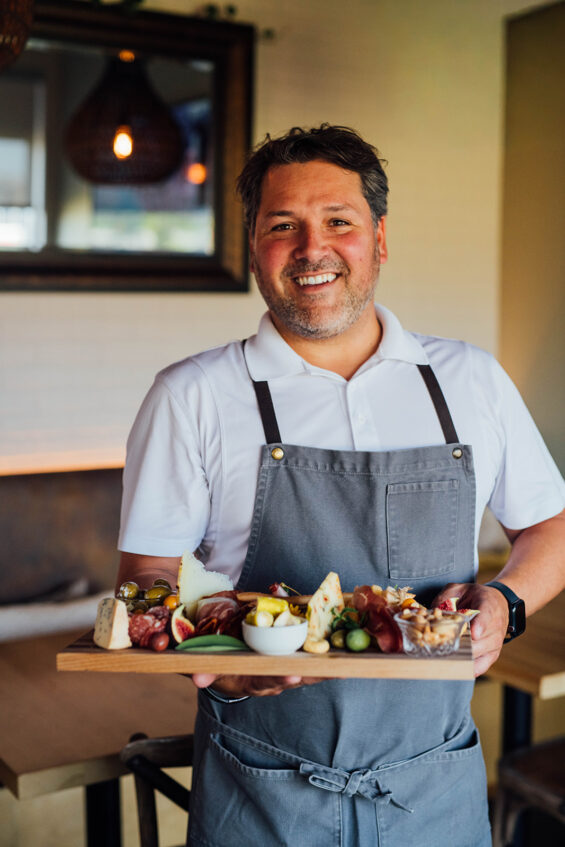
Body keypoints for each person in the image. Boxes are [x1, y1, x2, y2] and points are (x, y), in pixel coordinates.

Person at [117, 124, 565, 847]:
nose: (311, 248)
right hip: (259, 787)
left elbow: (550, 526)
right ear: (252, 246)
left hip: (434, 789)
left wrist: (506, 602)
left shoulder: (468, 380)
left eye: (338, 222)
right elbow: (144, 577)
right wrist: (219, 670)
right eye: (282, 225)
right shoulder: (191, 394)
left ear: (378, 240)